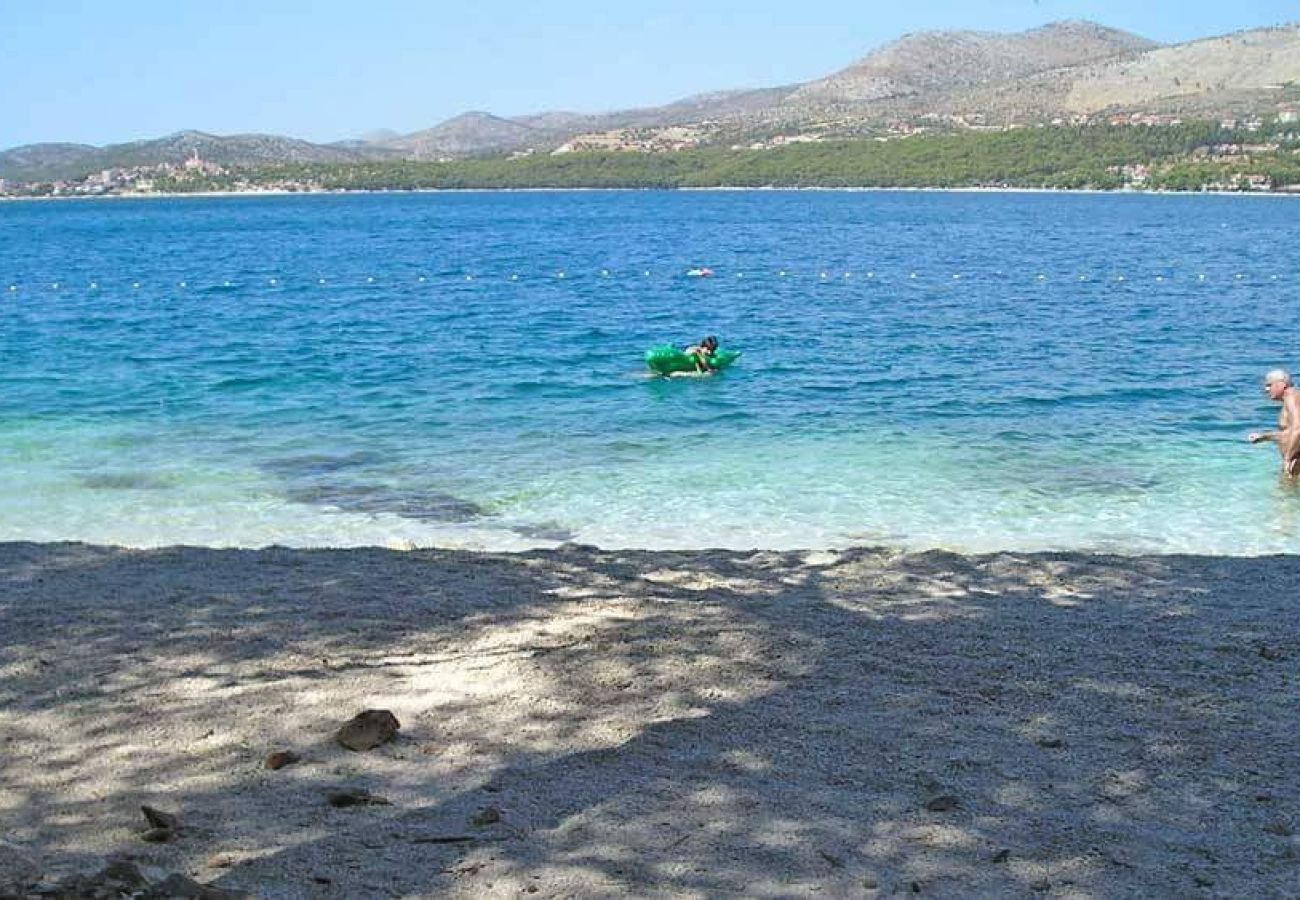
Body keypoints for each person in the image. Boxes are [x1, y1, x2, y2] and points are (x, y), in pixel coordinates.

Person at [1248, 368, 1300, 479]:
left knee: (1284, 495)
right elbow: (1288, 433)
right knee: (1286, 495)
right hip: (1293, 462)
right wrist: (1264, 436)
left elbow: (1298, 428)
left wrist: (1287, 459)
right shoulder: (1289, 399)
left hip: (1294, 462)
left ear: (1282, 384)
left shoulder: (1292, 397)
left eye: (1269, 385)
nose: (1266, 389)